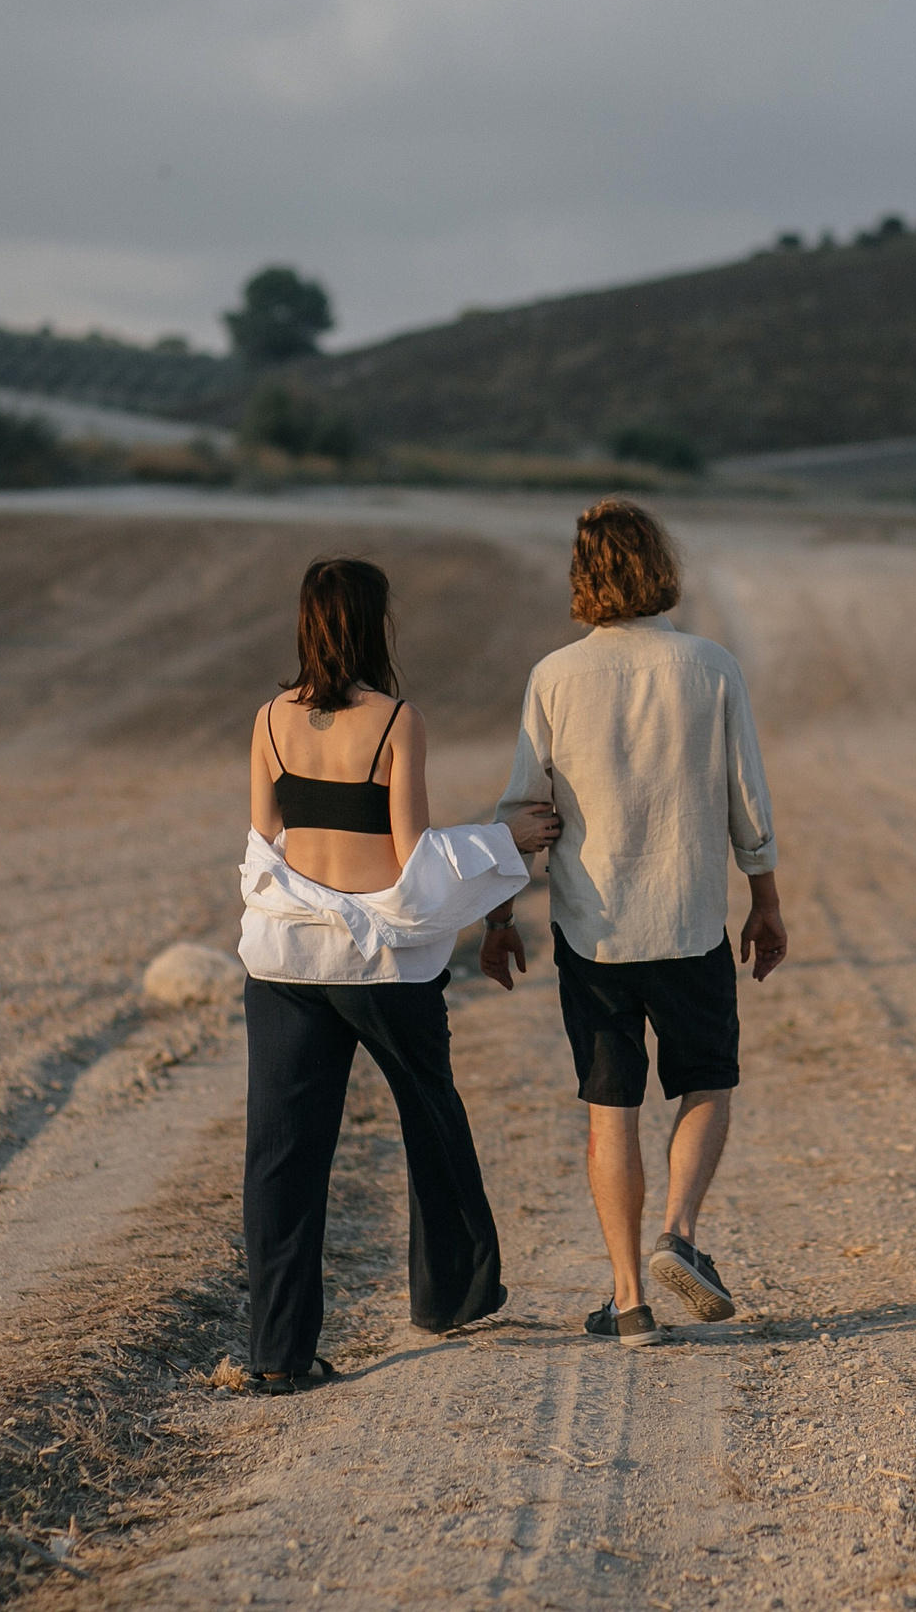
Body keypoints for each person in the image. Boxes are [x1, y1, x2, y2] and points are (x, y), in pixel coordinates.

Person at [237, 557, 561, 1394]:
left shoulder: (269, 720)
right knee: (432, 1116)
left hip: (288, 963)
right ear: (373, 624)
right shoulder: (395, 723)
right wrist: (504, 843)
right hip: (379, 964)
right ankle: (451, 1294)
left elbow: (267, 842)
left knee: (282, 1155)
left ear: (308, 622)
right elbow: (411, 861)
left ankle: (277, 1354)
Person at [483, 500, 786, 1346]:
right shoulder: (712, 666)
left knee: (608, 1108)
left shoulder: (553, 676)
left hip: (593, 930)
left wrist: (500, 918)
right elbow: (746, 797)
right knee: (707, 1081)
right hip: (689, 919)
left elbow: (522, 809)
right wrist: (765, 901)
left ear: (583, 576)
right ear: (660, 566)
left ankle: (628, 1303)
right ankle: (679, 1236)